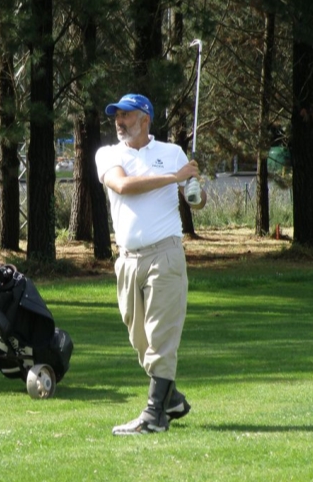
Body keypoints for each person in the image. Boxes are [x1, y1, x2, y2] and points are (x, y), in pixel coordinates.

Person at [95, 93, 206, 435]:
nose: (119, 121)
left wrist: (193, 187)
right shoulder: (108, 154)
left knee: (161, 336)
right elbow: (123, 186)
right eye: (116, 115)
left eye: (126, 115)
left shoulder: (171, 153)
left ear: (145, 119)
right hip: (127, 260)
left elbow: (197, 202)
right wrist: (175, 177)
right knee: (140, 339)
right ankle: (171, 398)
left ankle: (155, 414)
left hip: (165, 254)